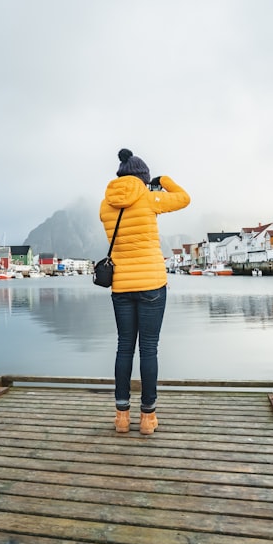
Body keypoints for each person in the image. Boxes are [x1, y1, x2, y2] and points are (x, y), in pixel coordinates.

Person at [100, 148, 190, 435]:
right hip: (151, 284)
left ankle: (121, 417)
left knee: (124, 347)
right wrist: (163, 180)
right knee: (148, 348)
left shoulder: (105, 204)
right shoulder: (149, 198)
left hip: (121, 286)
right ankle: (148, 418)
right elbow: (184, 199)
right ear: (143, 177)